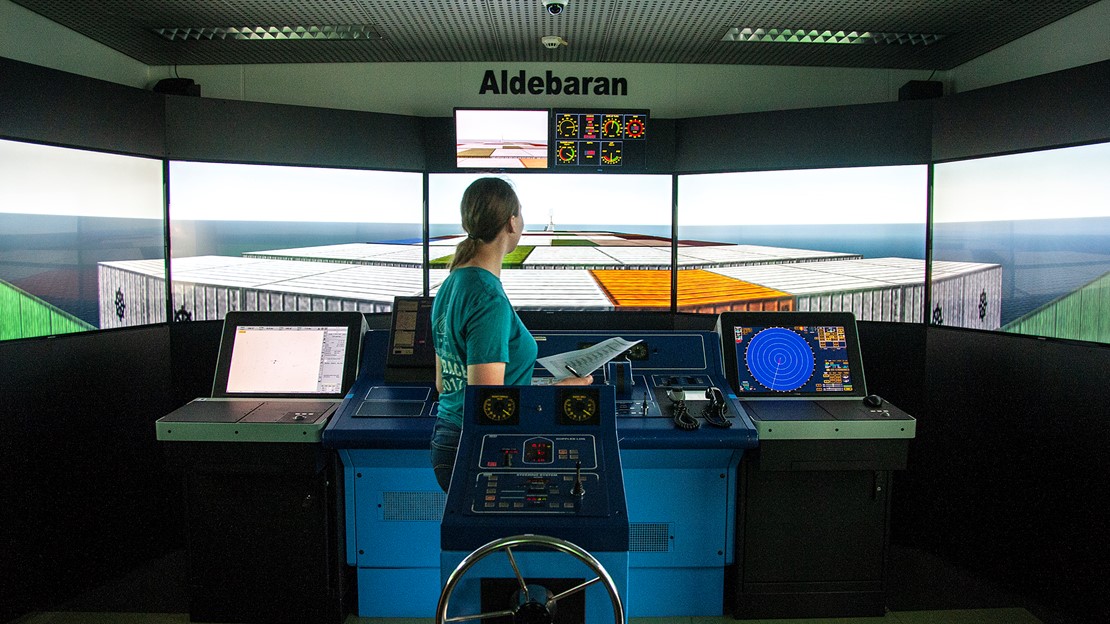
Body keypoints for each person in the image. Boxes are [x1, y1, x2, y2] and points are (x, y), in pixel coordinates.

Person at [430, 177, 592, 493]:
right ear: (511, 222)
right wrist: (558, 390)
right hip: (479, 446)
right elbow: (488, 402)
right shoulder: (487, 297)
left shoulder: (452, 283)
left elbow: (443, 382)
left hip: (450, 437)